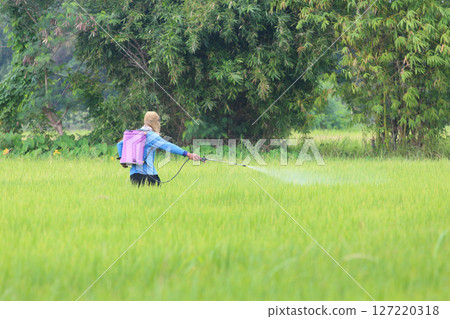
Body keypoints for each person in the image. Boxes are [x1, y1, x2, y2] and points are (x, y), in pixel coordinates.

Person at [117, 111, 201, 186]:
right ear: (154, 122)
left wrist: (123, 160)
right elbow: (168, 146)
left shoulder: (135, 133)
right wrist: (188, 154)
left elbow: (120, 144)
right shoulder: (150, 135)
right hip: (149, 174)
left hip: (134, 175)